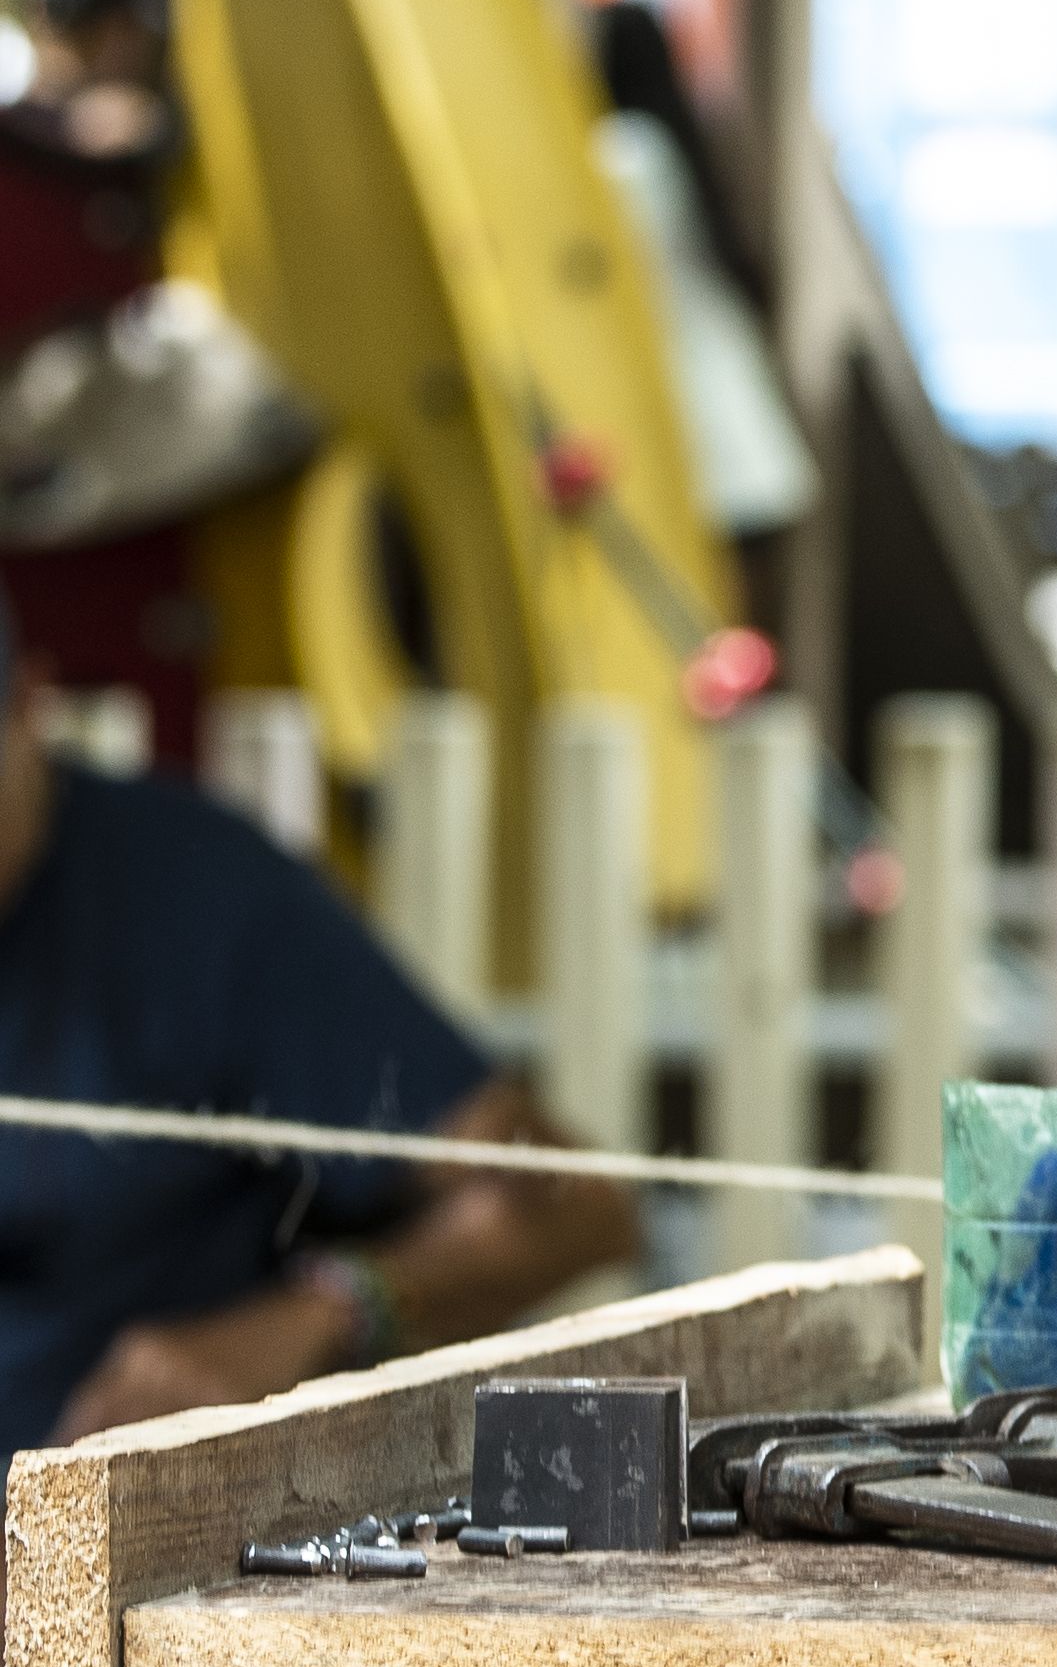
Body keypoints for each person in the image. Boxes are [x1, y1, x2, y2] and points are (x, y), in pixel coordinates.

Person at [0, 600, 635, 1448]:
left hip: (99, 1544)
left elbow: (572, 1209)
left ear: (31, 707)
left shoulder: (196, 902)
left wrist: (323, 1309)